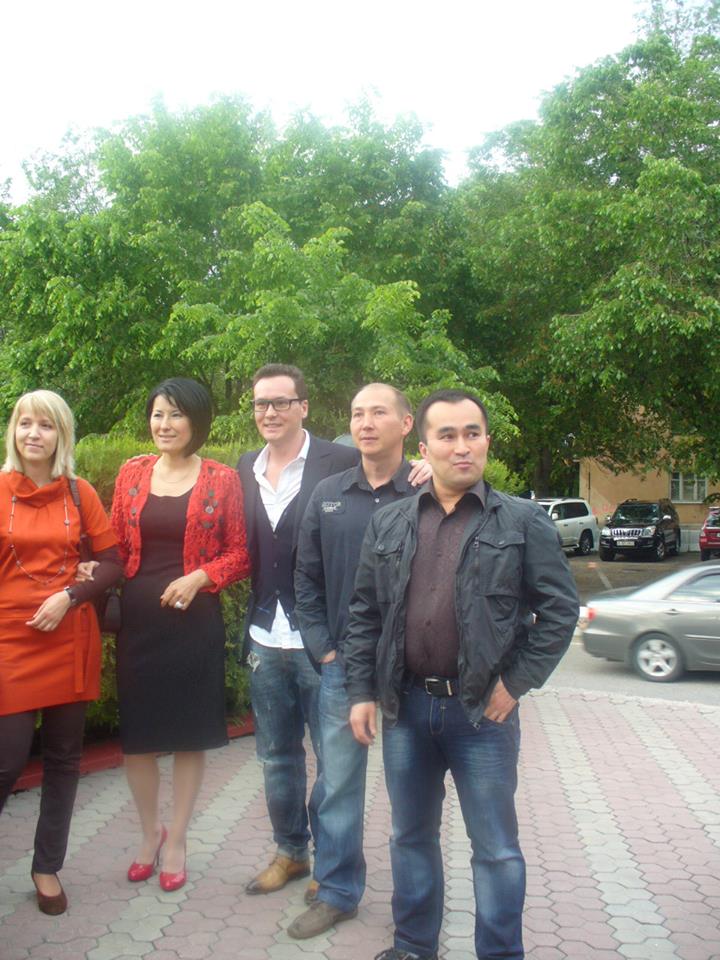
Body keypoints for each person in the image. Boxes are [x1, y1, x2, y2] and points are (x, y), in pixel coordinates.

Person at [345, 388, 579, 960]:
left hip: (482, 715)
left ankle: (499, 952)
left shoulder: (522, 521)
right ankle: (413, 945)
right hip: (405, 709)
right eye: (447, 435)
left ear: (487, 442)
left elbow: (559, 611)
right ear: (424, 447)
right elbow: (365, 612)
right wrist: (360, 691)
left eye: (472, 433)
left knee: (495, 848)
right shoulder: (391, 522)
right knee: (409, 837)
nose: (461, 446)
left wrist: (515, 683)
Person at [288, 383, 419, 939]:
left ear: (406, 423)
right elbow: (305, 577)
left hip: (414, 666)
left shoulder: (428, 490)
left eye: (378, 412)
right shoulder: (328, 494)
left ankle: (417, 908)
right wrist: (323, 646)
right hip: (345, 664)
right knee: (338, 784)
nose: (365, 423)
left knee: (412, 792)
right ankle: (338, 891)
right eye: (357, 413)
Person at [112, 377, 250, 892]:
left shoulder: (221, 479)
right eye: (157, 414)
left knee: (190, 735)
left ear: (196, 420)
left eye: (175, 414)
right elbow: (116, 547)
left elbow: (240, 552)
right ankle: (151, 833)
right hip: (139, 625)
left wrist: (200, 578)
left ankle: (178, 839)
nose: (164, 424)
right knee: (138, 740)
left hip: (194, 626)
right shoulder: (131, 473)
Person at [236, 363, 360, 897]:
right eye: (261, 403)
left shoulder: (342, 460)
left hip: (323, 643)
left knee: (336, 763)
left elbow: (392, 483)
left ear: (303, 407)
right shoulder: (245, 466)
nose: (270, 412)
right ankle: (291, 852)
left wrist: (423, 469)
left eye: (281, 402)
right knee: (276, 757)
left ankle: (331, 864)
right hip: (266, 637)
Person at [0, 390, 122, 916]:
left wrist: (72, 594)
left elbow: (113, 563)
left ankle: (46, 866)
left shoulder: (79, 492)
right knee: (7, 760)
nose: (34, 433)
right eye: (25, 423)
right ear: (13, 431)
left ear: (61, 435)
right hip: (9, 640)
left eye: (46, 425)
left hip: (69, 636)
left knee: (63, 759)